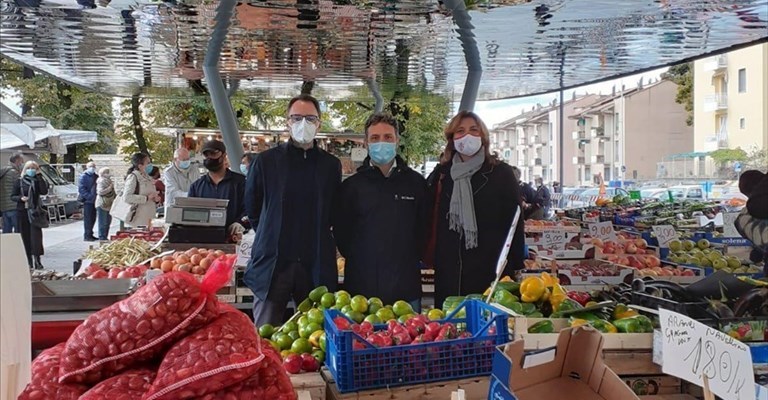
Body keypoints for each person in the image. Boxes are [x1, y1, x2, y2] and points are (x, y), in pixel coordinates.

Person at [244, 94, 342, 326]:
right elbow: (253, 205)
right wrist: (269, 230)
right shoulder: (266, 162)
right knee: (265, 333)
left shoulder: (330, 165)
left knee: (315, 334)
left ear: (319, 123)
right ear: (287, 121)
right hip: (274, 263)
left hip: (314, 261)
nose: (303, 124)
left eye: (310, 118)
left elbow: (334, 208)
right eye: (296, 118)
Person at [427, 111, 525, 308]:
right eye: (460, 131)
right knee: (451, 327)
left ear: (483, 136)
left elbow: (515, 221)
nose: (467, 136)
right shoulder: (442, 174)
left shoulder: (500, 173)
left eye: (474, 130)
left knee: (488, 329)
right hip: (450, 271)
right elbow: (428, 215)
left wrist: (515, 265)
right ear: (452, 138)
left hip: (489, 269)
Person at [334, 113, 430, 307]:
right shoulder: (352, 187)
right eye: (375, 138)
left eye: (388, 137)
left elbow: (424, 229)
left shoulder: (416, 183)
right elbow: (342, 234)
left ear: (397, 140)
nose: (382, 143)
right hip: (362, 293)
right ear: (366, 143)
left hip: (406, 289)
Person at [188, 140, 247, 243]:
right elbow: (190, 214)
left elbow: (251, 208)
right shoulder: (196, 187)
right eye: (206, 155)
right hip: (203, 243)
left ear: (224, 155)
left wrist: (240, 222)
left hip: (235, 240)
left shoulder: (240, 183)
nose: (209, 157)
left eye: (213, 153)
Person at [10, 161, 49, 269]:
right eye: (29, 168)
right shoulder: (20, 182)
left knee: (36, 237)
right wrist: (20, 198)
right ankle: (28, 261)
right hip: (22, 212)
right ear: (25, 169)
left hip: (35, 212)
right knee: (25, 236)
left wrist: (39, 176)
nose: (31, 170)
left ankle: (37, 260)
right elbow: (12, 196)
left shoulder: (38, 181)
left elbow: (44, 191)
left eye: (34, 168)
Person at [117, 153, 161, 227]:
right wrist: (146, 198)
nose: (151, 165)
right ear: (140, 166)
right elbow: (127, 197)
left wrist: (155, 199)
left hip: (149, 217)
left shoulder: (148, 177)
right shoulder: (133, 177)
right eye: (148, 163)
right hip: (137, 219)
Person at [163, 147, 201, 213]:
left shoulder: (194, 169)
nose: (186, 161)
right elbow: (174, 192)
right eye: (184, 160)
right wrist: (191, 195)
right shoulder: (169, 172)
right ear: (175, 160)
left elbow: (199, 186)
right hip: (175, 207)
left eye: (188, 159)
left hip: (191, 206)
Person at [0, 152, 23, 233]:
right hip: (14, 205)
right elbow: (21, 187)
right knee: (18, 231)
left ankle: (6, 246)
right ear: (17, 161)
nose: (22, 163)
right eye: (21, 161)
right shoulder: (14, 173)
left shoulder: (3, 172)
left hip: (3, 206)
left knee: (6, 231)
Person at [79, 161, 99, 241]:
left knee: (93, 218)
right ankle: (87, 235)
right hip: (87, 201)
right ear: (87, 167)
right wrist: (89, 197)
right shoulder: (83, 176)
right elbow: (81, 189)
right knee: (88, 219)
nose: (92, 168)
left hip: (94, 200)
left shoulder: (96, 176)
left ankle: (90, 234)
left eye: (94, 166)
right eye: (91, 166)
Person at [95, 167, 116, 241]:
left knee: (107, 222)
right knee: (103, 222)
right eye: (108, 172)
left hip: (109, 204)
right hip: (102, 203)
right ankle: (102, 237)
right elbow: (100, 192)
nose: (109, 174)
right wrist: (109, 188)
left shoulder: (109, 181)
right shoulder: (101, 181)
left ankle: (105, 236)